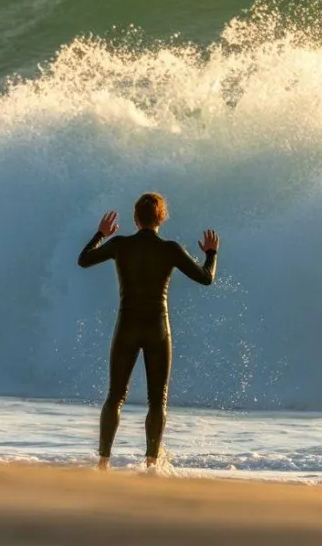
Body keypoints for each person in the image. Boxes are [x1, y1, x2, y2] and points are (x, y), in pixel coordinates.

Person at [77, 192, 219, 470]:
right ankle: (151, 463)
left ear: (135, 218)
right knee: (157, 399)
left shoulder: (119, 245)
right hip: (157, 328)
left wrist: (100, 234)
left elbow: (84, 260)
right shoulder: (171, 249)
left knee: (115, 395)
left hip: (126, 327)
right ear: (162, 218)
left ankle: (104, 463)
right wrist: (211, 253)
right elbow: (206, 278)